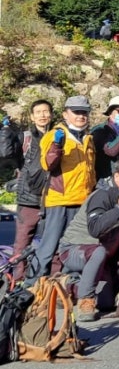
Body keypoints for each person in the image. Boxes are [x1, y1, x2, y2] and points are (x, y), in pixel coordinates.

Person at [58, 159, 119, 321]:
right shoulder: (102, 195)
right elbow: (95, 229)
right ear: (117, 176)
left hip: (103, 255)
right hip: (73, 249)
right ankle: (85, 301)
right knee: (98, 251)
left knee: (106, 302)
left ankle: (69, 286)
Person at [32, 96, 96, 280]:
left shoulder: (87, 138)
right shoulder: (54, 135)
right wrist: (56, 146)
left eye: (84, 112)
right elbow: (47, 164)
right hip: (59, 200)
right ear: (65, 114)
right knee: (48, 246)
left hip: (82, 201)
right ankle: (33, 285)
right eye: (76, 112)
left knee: (74, 247)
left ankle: (68, 284)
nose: (81, 116)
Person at [11, 99, 52, 281]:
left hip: (52, 197)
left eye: (46, 111)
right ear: (32, 116)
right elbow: (9, 156)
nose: (43, 115)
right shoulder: (24, 138)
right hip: (28, 198)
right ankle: (18, 280)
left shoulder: (57, 136)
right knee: (22, 242)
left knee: (52, 242)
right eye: (38, 112)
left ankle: (47, 282)